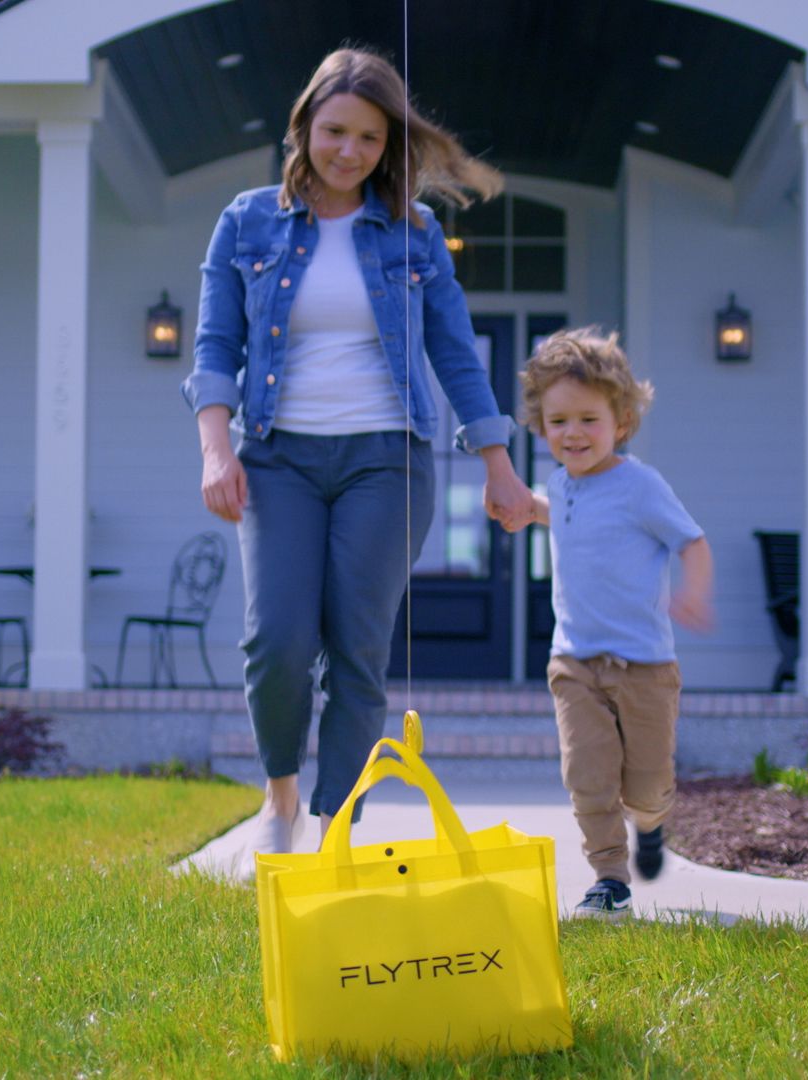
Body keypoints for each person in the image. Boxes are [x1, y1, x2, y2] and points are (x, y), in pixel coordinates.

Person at [184, 48, 534, 854]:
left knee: (357, 652)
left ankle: (334, 829)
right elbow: (214, 344)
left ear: (389, 146)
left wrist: (498, 463)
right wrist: (215, 449)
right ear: (303, 126)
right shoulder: (247, 221)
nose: (349, 151)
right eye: (335, 131)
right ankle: (280, 797)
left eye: (370, 139)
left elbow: (454, 351)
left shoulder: (412, 231)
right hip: (277, 459)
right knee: (278, 643)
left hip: (387, 460)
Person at [522, 327, 714, 919]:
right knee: (587, 775)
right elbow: (572, 519)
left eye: (588, 419)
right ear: (541, 425)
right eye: (558, 423)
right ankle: (610, 877)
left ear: (621, 420)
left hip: (645, 667)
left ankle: (651, 825)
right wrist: (531, 510)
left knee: (647, 787)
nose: (573, 434)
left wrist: (694, 591)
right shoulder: (560, 483)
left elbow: (693, 541)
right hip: (574, 660)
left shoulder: (641, 485)